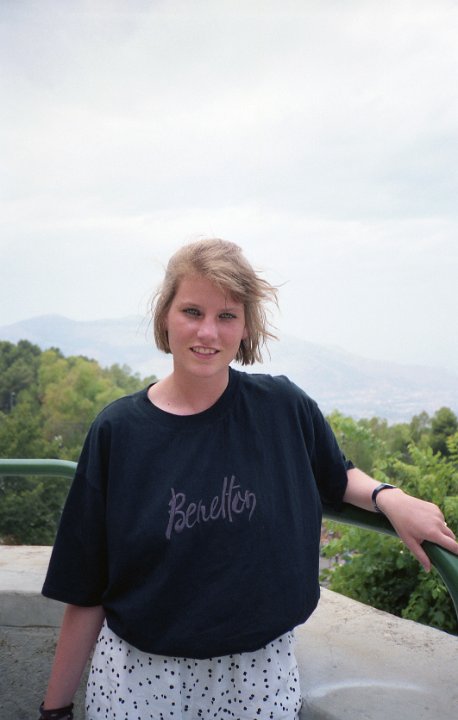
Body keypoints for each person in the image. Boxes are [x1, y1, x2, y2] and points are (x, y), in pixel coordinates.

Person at [40, 238, 458, 720]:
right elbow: (85, 585)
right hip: (139, 679)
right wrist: (56, 709)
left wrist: (390, 497)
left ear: (245, 327)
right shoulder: (119, 431)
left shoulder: (282, 408)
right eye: (192, 311)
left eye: (227, 316)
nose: (207, 331)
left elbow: (337, 475)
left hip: (259, 678)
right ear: (165, 316)